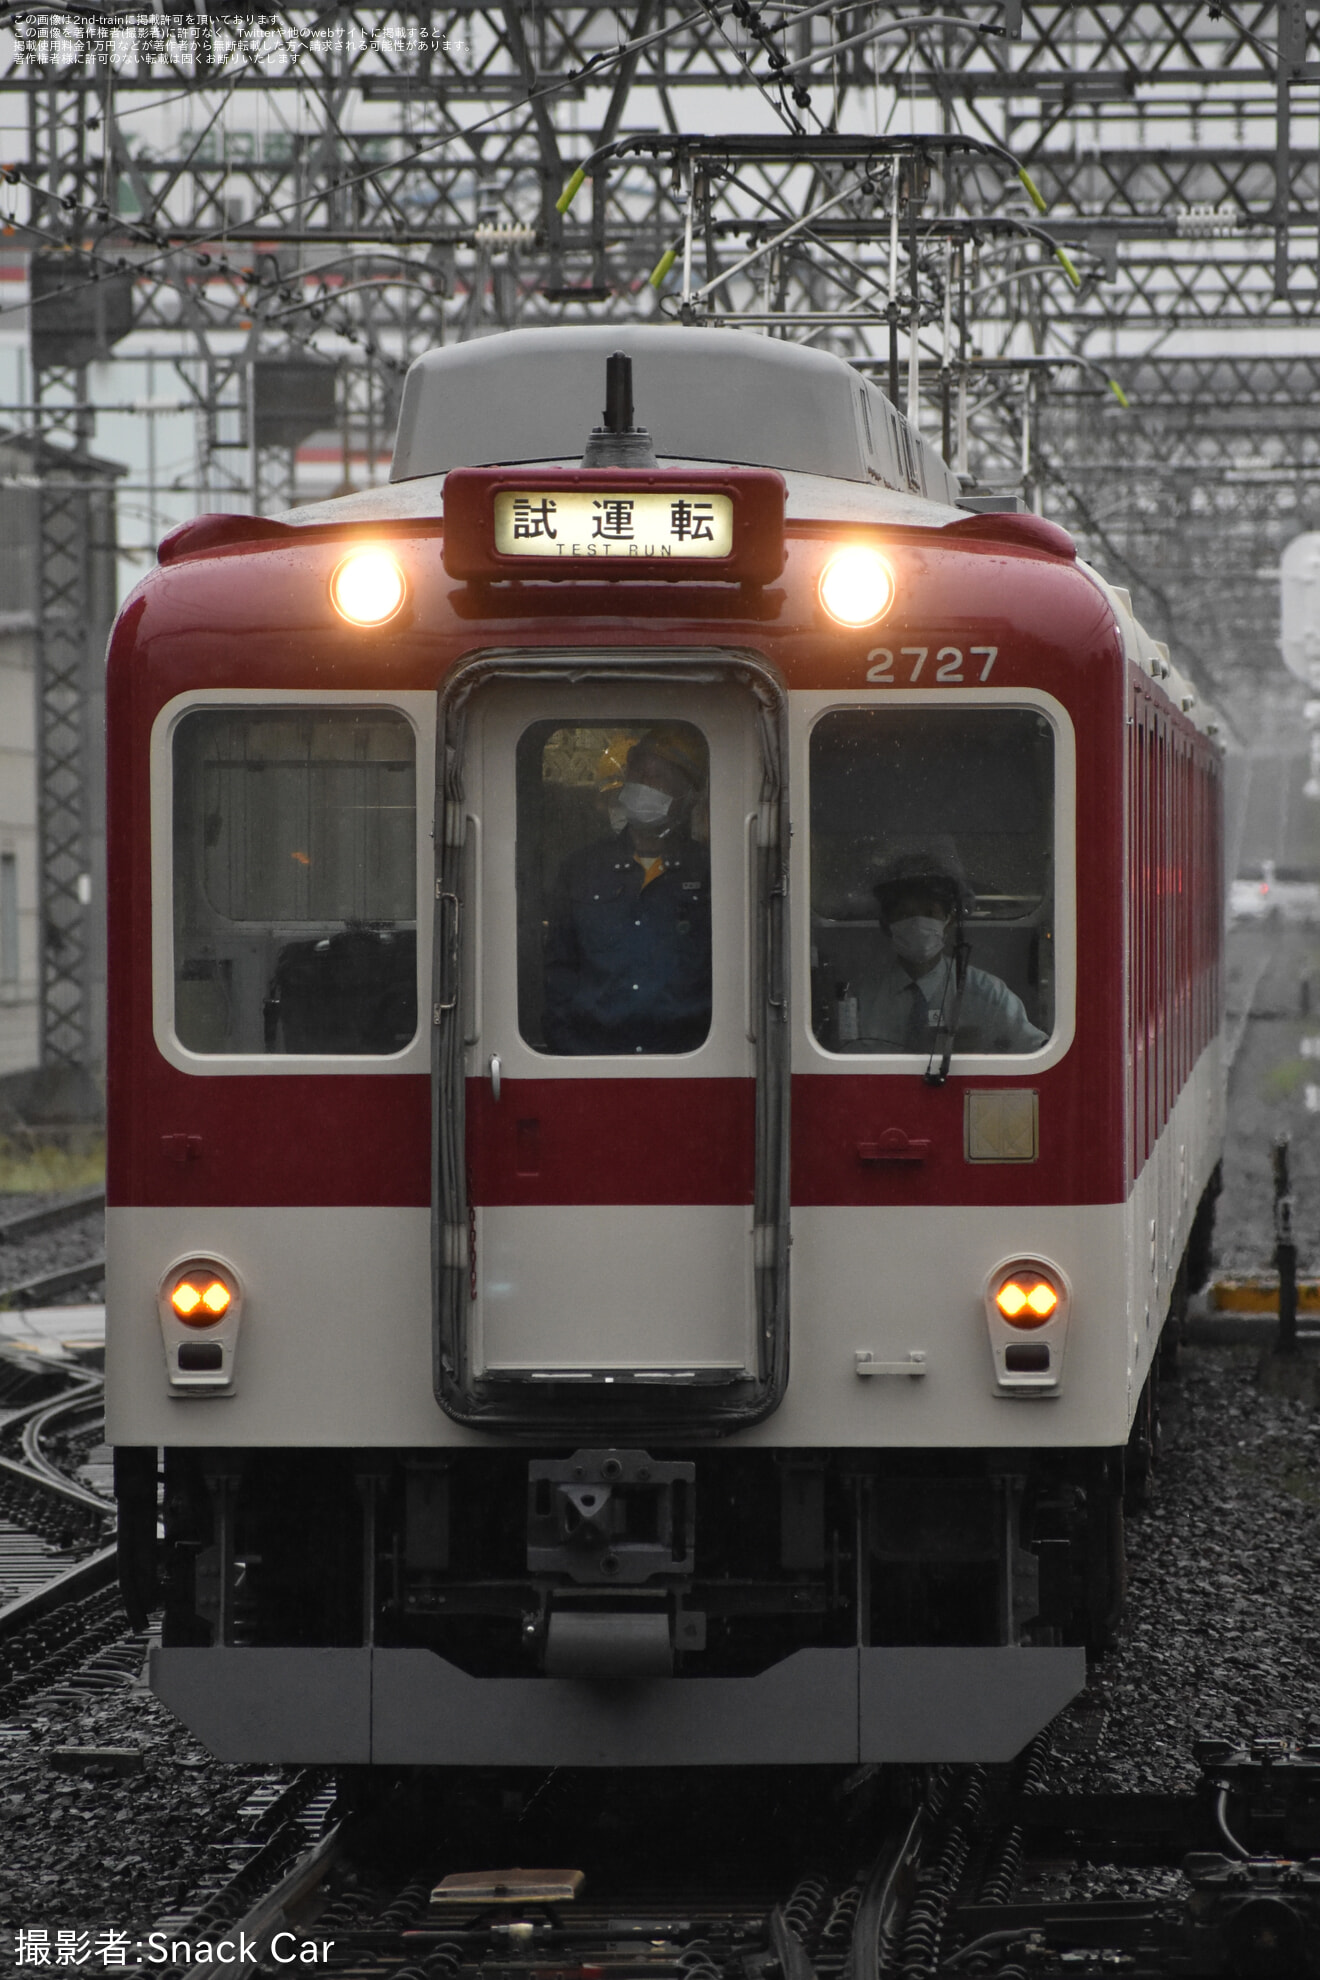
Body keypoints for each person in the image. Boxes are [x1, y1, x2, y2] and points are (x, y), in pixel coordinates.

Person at [541, 727, 711, 1054]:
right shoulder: (581, 869)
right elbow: (558, 975)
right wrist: (569, 1052)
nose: (645, 786)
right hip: (593, 1062)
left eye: (660, 779)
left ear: (686, 796)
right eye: (640, 774)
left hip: (688, 1065)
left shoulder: (709, 870)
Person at [847, 848, 1047, 1055]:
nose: (917, 923)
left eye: (929, 912)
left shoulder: (989, 995)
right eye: (904, 913)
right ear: (886, 924)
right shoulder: (860, 996)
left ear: (949, 921)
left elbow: (1038, 1056)